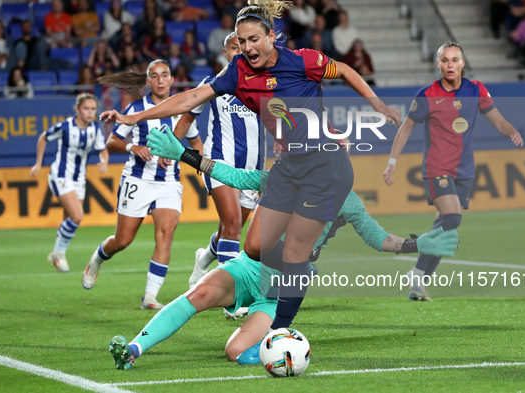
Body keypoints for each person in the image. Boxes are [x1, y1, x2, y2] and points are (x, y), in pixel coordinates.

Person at [100, 0, 400, 329]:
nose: (247, 47)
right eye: (241, 42)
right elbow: (188, 99)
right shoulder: (236, 73)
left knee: (290, 250)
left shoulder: (303, 62)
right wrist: (134, 116)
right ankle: (290, 272)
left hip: (322, 165)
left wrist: (379, 106)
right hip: (285, 165)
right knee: (255, 247)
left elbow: (343, 70)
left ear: (272, 36)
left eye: (254, 39)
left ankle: (280, 323)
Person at [106, 125, 458, 370]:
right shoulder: (281, 176)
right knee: (199, 292)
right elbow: (234, 176)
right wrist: (185, 154)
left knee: (234, 352)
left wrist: (416, 243)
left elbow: (379, 238)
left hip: (282, 288)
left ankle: (282, 349)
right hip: (250, 267)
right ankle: (134, 348)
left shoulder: (345, 199)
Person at [383, 42, 524, 301]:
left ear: (462, 63)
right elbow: (406, 128)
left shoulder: (476, 90)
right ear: (438, 64)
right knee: (453, 218)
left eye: (454, 60)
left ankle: (418, 280)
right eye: (445, 60)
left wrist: (512, 131)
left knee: (446, 230)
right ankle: (414, 253)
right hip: (437, 168)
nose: (450, 65)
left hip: (464, 171)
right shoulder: (427, 95)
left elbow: (498, 120)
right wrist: (392, 162)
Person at [81, 59, 203, 310]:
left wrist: (199, 164)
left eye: (164, 75)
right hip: (137, 180)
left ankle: (149, 297)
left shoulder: (183, 110)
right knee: (123, 240)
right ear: (148, 82)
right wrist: (133, 147)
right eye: (155, 76)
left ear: (172, 79)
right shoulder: (137, 109)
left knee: (166, 235)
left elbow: (196, 142)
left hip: (169, 182)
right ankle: (96, 259)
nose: (160, 80)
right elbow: (112, 142)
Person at [172, 32, 263, 295]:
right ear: (225, 53)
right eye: (235, 47)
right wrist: (172, 150)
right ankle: (229, 294)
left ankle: (204, 257)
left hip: (251, 170)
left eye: (246, 46)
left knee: (230, 227)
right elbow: (186, 118)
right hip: (218, 162)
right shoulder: (213, 83)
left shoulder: (262, 83)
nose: (242, 51)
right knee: (233, 224)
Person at [30, 93, 108, 272]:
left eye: (93, 109)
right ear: (77, 110)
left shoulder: (95, 129)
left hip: (79, 178)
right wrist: (39, 163)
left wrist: (104, 163)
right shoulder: (65, 127)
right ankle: (58, 254)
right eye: (86, 109)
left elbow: (103, 150)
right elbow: (43, 137)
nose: (90, 113)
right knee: (77, 216)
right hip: (61, 175)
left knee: (69, 219)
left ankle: (56, 254)